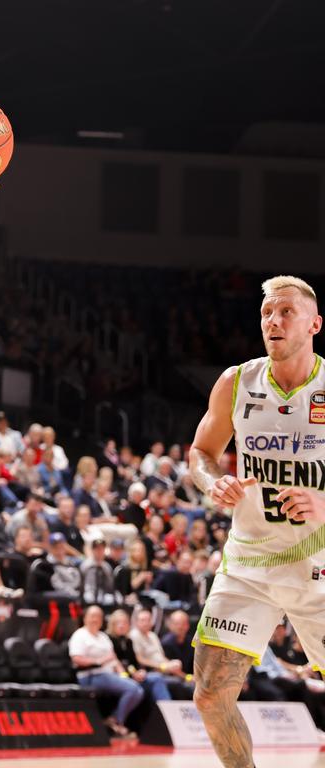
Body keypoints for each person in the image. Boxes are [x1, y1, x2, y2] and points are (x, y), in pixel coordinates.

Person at [188, 275, 325, 768]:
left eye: (286, 311)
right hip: (249, 564)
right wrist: (211, 482)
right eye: (267, 312)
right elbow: (202, 452)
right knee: (209, 697)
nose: (274, 321)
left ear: (314, 323)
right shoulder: (237, 381)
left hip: (320, 564)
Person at [68, 605, 142, 738]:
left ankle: (113, 720)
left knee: (137, 689)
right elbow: (76, 659)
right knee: (132, 689)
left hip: (108, 675)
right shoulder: (80, 635)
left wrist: (123, 675)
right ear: (85, 618)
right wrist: (98, 661)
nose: (96, 619)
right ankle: (117, 722)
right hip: (91, 675)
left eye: (99, 617)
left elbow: (114, 659)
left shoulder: (103, 637)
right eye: (93, 616)